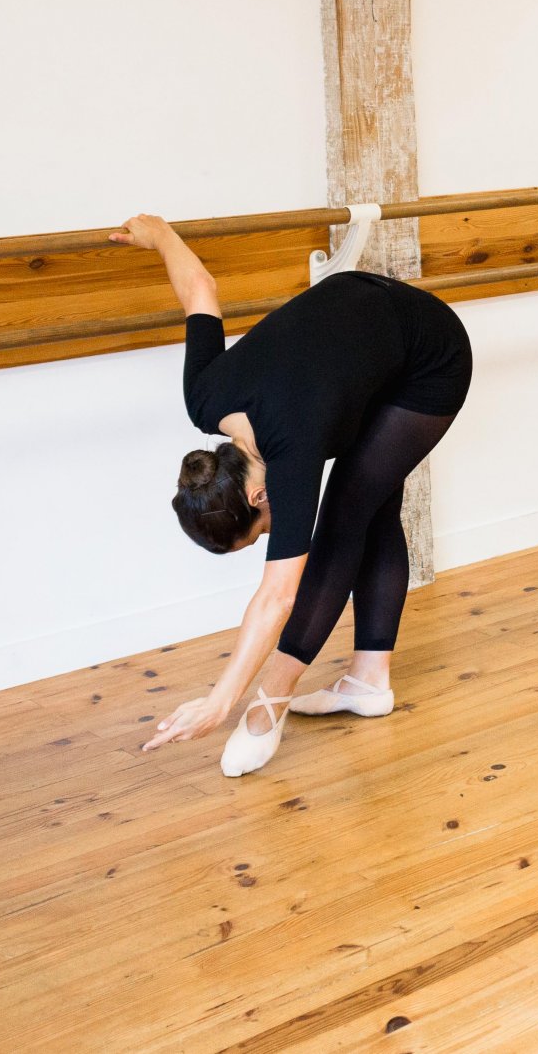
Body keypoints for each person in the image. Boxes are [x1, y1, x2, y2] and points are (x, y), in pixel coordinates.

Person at [111, 214, 471, 777]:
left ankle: (270, 705)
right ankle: (368, 681)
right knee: (369, 500)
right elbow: (198, 289)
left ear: (257, 498)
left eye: (259, 536)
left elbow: (277, 597)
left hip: (429, 355)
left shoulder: (290, 450)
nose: (273, 537)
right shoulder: (205, 400)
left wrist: (222, 701)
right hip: (366, 329)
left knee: (345, 515)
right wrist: (160, 234)